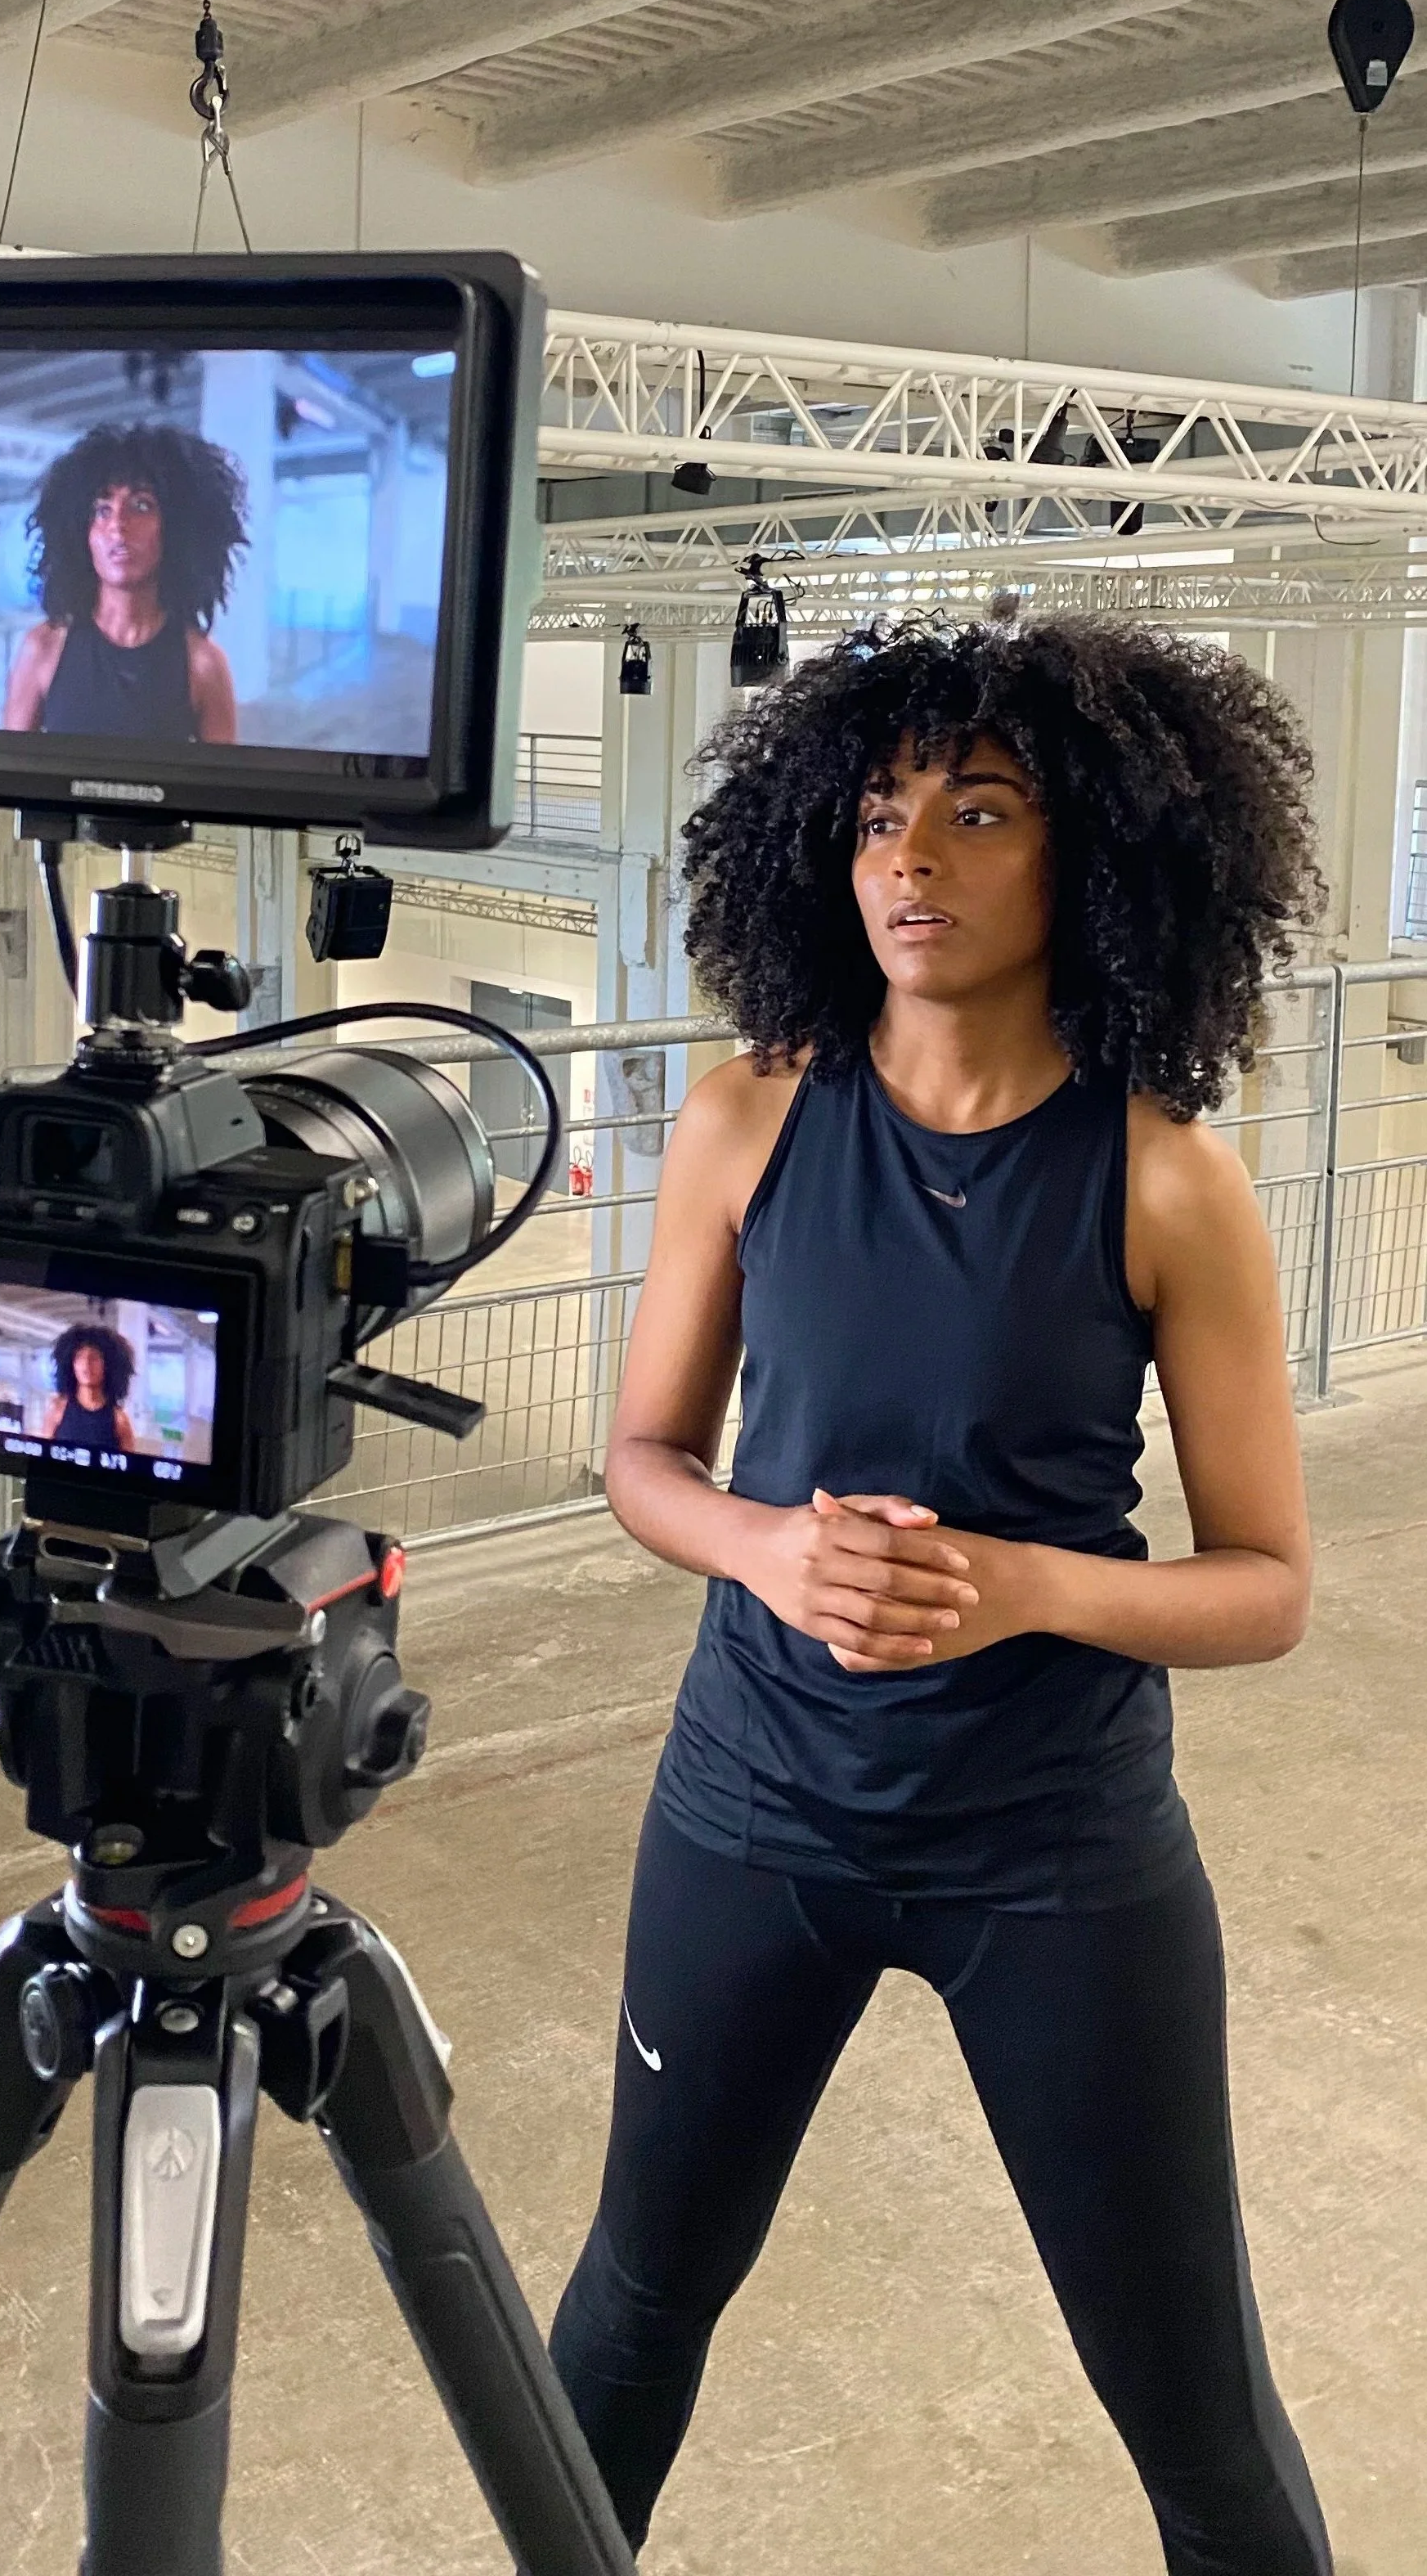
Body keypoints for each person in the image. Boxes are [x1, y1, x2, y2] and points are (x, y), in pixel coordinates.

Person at [549, 614, 1335, 2575]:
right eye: (882, 818)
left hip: (1053, 1852)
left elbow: (1267, 1590)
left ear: (1089, 857)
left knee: (1195, 2398)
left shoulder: (1165, 1181)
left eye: (977, 815)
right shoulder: (751, 1119)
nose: (913, 861)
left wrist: (1023, 1590)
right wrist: (764, 1546)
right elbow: (644, 1461)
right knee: (634, 2311)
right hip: (753, 1813)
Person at [4, 420, 247, 742]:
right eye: (102, 510)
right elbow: (13, 777)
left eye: (141, 506)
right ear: (81, 532)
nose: (118, 526)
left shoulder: (204, 665)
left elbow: (219, 789)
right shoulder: (43, 649)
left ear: (177, 529)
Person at [38, 1324, 137, 1456]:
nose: (86, 1364)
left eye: (94, 1357)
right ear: (71, 1364)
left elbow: (129, 1468)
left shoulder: (119, 1419)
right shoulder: (57, 1410)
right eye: (79, 1357)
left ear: (108, 1365)